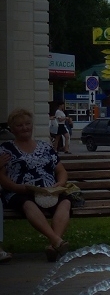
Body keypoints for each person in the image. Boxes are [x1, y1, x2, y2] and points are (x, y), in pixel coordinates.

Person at [0, 107, 73, 261]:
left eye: (27, 124)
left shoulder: (45, 147)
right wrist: (17, 187)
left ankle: (54, 244)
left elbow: (61, 171)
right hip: (20, 192)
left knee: (65, 202)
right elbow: (1, 176)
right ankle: (56, 241)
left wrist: (59, 184)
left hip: (48, 191)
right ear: (12, 129)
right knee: (28, 204)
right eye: (19, 125)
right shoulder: (5, 149)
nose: (25, 128)